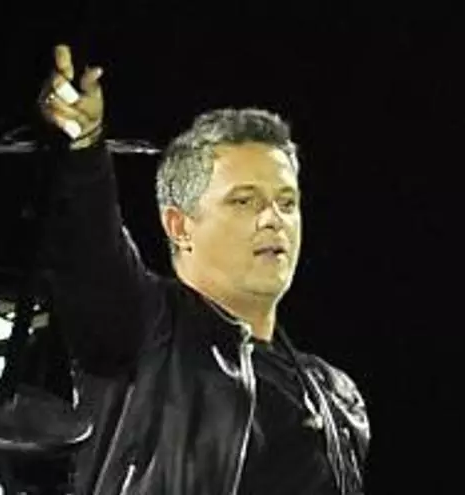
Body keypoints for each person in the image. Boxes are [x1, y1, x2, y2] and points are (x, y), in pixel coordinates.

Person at [37, 44, 370, 495]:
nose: (273, 219)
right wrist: (84, 151)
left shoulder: (335, 393)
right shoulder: (150, 330)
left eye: (287, 203)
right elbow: (92, 257)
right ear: (180, 226)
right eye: (244, 200)